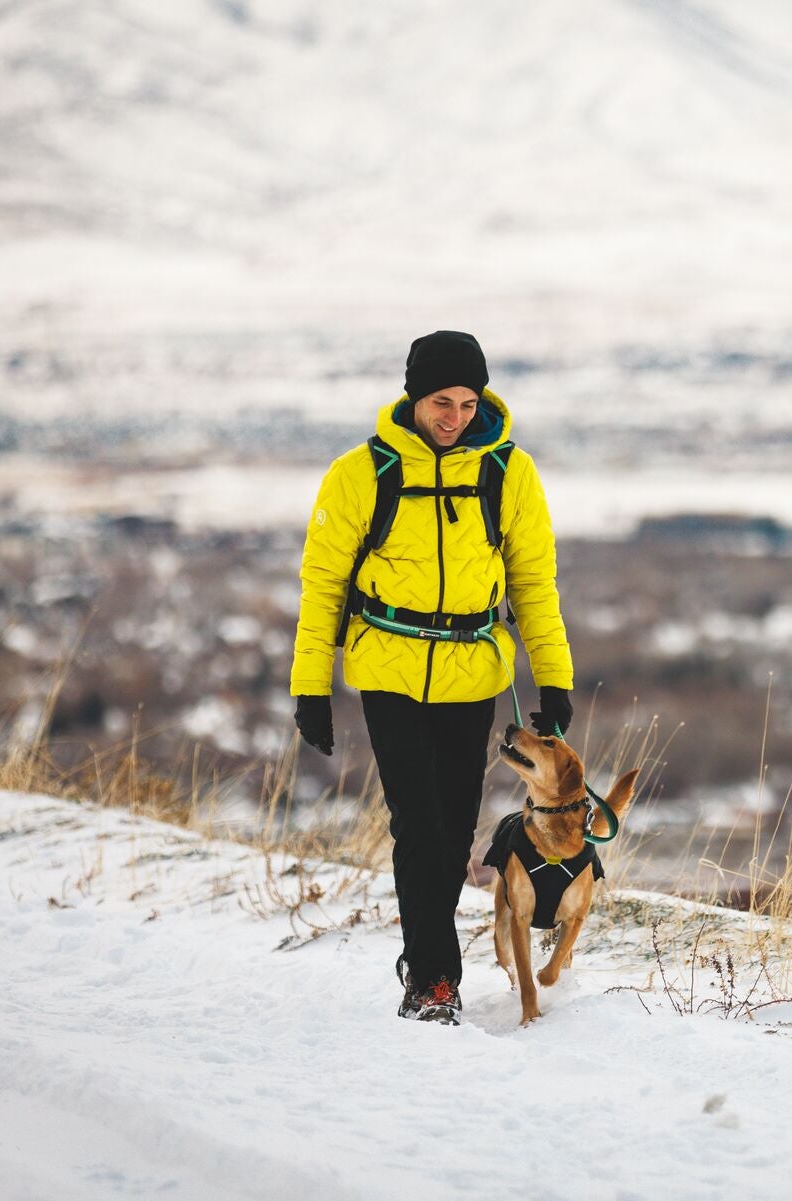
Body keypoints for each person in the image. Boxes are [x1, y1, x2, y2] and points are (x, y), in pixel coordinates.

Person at [289, 330, 575, 1024]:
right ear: (414, 397)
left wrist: (554, 678)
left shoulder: (508, 473)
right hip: (387, 668)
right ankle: (434, 979)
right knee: (416, 822)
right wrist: (311, 685)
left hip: (471, 673)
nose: (455, 417)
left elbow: (533, 582)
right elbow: (323, 583)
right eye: (441, 401)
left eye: (468, 402)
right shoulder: (361, 475)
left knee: (451, 832)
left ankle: (430, 966)